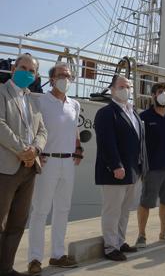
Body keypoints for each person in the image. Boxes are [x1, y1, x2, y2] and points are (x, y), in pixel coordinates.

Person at [27, 63, 82, 274]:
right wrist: (37, 151)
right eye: (61, 75)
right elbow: (33, 128)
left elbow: (74, 128)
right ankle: (34, 258)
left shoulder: (74, 104)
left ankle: (58, 254)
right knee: (40, 211)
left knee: (62, 209)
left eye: (68, 76)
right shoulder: (40, 101)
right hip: (47, 162)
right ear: (52, 79)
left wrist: (78, 148)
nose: (65, 79)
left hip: (68, 163)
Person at [0, 54, 47, 276]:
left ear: (36, 75)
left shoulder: (33, 100)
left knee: (18, 222)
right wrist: (22, 150)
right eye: (23, 68)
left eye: (32, 71)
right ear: (13, 68)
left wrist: (35, 150)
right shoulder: (2, 92)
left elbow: (42, 131)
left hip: (29, 168)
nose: (27, 73)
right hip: (6, 167)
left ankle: (6, 268)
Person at [95, 76, 147, 261]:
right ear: (112, 90)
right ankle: (110, 247)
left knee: (125, 209)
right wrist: (115, 165)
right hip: (115, 171)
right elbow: (106, 142)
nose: (126, 89)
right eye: (122, 86)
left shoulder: (134, 113)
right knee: (112, 210)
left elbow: (139, 142)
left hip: (133, 170)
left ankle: (120, 240)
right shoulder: (106, 113)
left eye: (129, 86)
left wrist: (142, 167)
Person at [135, 83, 165, 248]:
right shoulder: (144, 117)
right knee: (146, 202)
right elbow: (138, 142)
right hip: (152, 168)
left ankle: (164, 231)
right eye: (160, 92)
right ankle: (141, 235)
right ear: (153, 95)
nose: (164, 95)